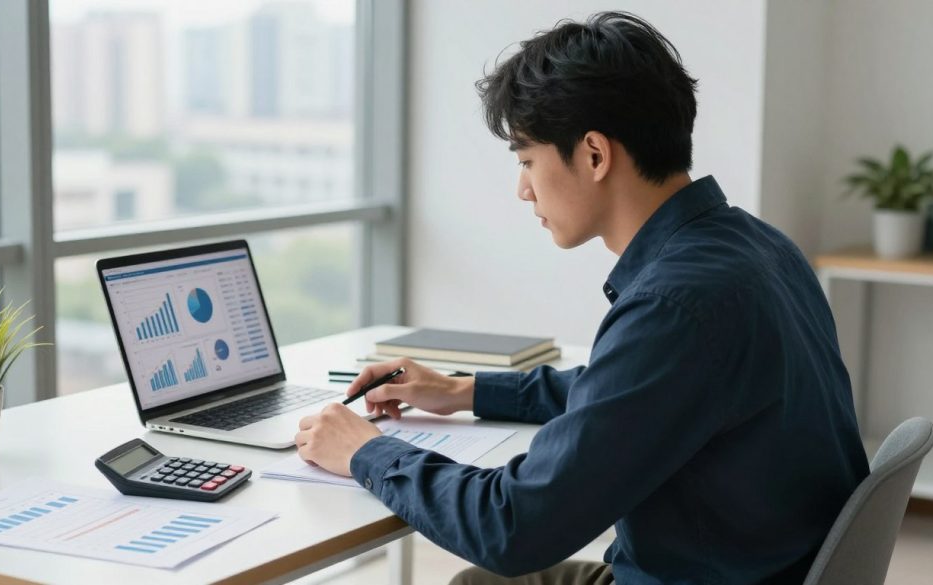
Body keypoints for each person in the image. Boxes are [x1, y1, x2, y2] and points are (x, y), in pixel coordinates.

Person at [293, 11, 868, 585]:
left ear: (594, 154)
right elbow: (629, 392)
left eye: (527, 161)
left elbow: (513, 527)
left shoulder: (674, 305)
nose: (523, 189)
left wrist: (366, 452)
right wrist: (464, 390)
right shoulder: (758, 247)